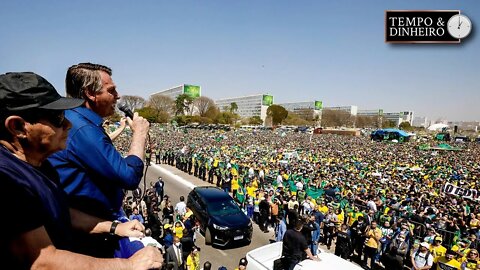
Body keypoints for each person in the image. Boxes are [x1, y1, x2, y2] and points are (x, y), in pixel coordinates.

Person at [0, 72, 163, 269]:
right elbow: (41, 261)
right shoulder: (7, 180)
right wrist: (127, 264)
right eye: (58, 118)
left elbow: (62, 212)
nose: (68, 124)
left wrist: (113, 227)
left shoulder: (42, 165)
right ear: (18, 127)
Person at [48, 63, 150, 257]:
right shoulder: (83, 129)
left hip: (89, 223)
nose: (117, 96)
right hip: (85, 236)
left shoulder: (77, 120)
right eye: (111, 90)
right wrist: (140, 134)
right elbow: (129, 177)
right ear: (90, 93)